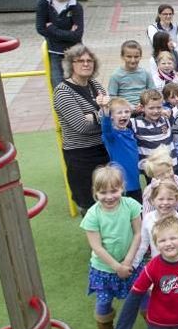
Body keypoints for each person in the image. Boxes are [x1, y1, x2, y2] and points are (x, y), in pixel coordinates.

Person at [80, 164, 143, 329]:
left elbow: (139, 233)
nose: (109, 196)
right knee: (103, 301)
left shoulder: (131, 205)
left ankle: (155, 322)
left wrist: (128, 261)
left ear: (122, 188)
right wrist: (116, 266)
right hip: (104, 268)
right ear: (95, 192)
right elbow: (96, 246)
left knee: (144, 294)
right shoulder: (93, 214)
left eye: (114, 190)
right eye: (103, 192)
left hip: (130, 263)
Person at [54, 45, 110, 212]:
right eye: (81, 61)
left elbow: (110, 113)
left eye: (89, 60)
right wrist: (101, 114)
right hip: (81, 156)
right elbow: (81, 126)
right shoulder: (63, 92)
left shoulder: (95, 85)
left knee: (109, 199)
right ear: (71, 64)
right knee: (89, 204)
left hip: (103, 150)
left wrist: (94, 116)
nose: (86, 64)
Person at [36, 0, 84, 88]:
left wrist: (51, 28)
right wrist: (68, 34)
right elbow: (40, 28)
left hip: (75, 52)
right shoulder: (43, 3)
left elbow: (77, 35)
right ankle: (62, 107)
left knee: (78, 85)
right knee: (58, 86)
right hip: (55, 52)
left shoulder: (76, 7)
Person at [99, 97, 142, 203]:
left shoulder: (129, 131)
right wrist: (105, 111)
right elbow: (106, 128)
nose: (124, 115)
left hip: (135, 180)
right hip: (121, 184)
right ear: (111, 117)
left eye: (126, 111)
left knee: (138, 209)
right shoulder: (112, 136)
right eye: (119, 112)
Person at [108, 41, 154, 107]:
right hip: (123, 110)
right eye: (129, 57)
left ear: (141, 57)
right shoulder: (116, 75)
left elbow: (152, 92)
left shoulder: (146, 73)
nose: (133, 60)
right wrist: (129, 107)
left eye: (136, 57)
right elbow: (112, 97)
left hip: (144, 107)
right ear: (122, 57)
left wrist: (144, 104)